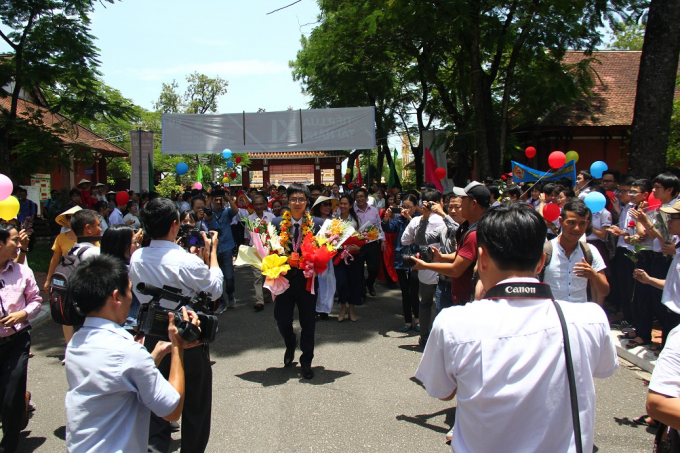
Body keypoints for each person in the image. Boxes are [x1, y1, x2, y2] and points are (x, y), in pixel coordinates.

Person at [414, 203, 618, 452]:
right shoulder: (590, 318)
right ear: (542, 261)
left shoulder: (454, 323)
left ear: (483, 259)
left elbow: (442, 392)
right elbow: (602, 368)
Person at [65, 255, 193, 453]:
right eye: (129, 289)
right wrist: (177, 347)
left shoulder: (76, 343)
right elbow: (172, 410)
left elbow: (116, 379)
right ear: (116, 297)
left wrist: (156, 354)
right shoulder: (127, 351)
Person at [129, 197, 221, 453]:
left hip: (151, 337)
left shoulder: (137, 257)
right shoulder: (187, 261)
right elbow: (214, 291)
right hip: (187, 337)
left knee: (154, 406)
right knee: (196, 408)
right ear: (174, 225)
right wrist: (211, 256)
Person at [271, 184, 324, 379]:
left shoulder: (317, 224)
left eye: (301, 199)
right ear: (287, 200)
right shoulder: (276, 223)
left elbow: (325, 248)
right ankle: (290, 342)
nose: (297, 203)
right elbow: (267, 250)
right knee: (282, 319)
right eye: (293, 199)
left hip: (307, 281)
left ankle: (307, 361)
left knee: (308, 322)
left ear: (307, 202)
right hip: (283, 280)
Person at [411, 182, 490, 305]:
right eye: (450, 206)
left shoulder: (475, 233)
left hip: (467, 298)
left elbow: (455, 270)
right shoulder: (470, 227)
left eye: (462, 202)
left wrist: (425, 265)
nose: (455, 209)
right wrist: (441, 257)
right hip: (455, 291)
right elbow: (462, 255)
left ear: (474, 204)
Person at [0, 224, 42, 453]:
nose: (19, 244)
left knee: (11, 395)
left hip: (16, 341)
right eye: (14, 240)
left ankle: (9, 444)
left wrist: (22, 313)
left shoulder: (22, 271)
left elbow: (36, 300)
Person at [542, 199, 608, 304]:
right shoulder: (545, 251)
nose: (577, 228)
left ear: (587, 224)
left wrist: (594, 276)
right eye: (571, 222)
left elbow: (604, 291)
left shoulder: (590, 251)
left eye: (582, 223)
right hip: (551, 315)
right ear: (560, 221)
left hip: (579, 316)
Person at [401, 189, 444, 347]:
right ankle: (439, 340)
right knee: (442, 305)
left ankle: (425, 338)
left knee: (425, 303)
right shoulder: (447, 220)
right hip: (446, 268)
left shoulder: (416, 221)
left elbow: (405, 241)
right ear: (441, 202)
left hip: (425, 269)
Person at [414, 193, 463, 313]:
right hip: (443, 284)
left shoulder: (470, 229)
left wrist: (443, 214)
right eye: (450, 207)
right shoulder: (443, 229)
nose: (452, 210)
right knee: (441, 321)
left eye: (457, 207)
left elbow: (459, 232)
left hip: (462, 284)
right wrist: (424, 218)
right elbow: (420, 240)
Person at [383, 194, 420, 331]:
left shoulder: (418, 219)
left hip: (415, 258)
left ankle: (418, 318)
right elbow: (388, 229)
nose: (405, 210)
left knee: (414, 291)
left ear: (415, 207)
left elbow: (420, 234)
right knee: (404, 291)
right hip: (400, 258)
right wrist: (387, 217)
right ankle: (407, 321)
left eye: (409, 207)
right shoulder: (399, 220)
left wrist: (411, 219)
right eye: (403, 207)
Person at [205, 187, 239, 313]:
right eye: (216, 200)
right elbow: (205, 212)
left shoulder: (227, 212)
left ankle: (230, 294)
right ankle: (221, 302)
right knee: (215, 276)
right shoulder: (209, 213)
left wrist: (227, 198)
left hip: (226, 247)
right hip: (213, 248)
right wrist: (210, 196)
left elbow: (236, 210)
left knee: (229, 277)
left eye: (220, 201)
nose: (218, 203)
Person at [243, 195, 275, 312]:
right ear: (253, 205)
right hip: (254, 250)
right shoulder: (249, 219)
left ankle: (266, 294)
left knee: (267, 274)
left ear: (265, 205)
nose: (258, 206)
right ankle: (259, 301)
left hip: (269, 249)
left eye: (261, 204)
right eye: (256, 204)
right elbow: (247, 236)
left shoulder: (272, 217)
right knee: (257, 276)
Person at [333, 195, 362, 322]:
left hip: (353, 255)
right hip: (338, 254)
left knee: (353, 282)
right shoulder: (335, 219)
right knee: (341, 282)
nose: (343, 206)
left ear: (351, 205)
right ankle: (342, 308)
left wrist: (359, 246)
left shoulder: (356, 220)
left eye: (345, 204)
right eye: (341, 203)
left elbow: (362, 237)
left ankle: (351, 309)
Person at [354, 188, 385, 299]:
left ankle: (370, 283)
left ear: (367, 198)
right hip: (358, 244)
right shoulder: (352, 211)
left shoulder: (373, 210)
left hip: (372, 243)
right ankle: (362, 293)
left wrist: (383, 240)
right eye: (357, 197)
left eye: (362, 196)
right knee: (359, 270)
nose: (360, 199)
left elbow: (379, 225)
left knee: (374, 268)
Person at [311, 196, 338, 319]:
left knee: (328, 281)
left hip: (328, 256)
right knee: (315, 282)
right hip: (314, 256)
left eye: (329, 205)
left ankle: (325, 309)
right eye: (325, 204)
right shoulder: (311, 221)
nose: (328, 207)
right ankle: (314, 308)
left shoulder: (334, 222)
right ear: (318, 207)